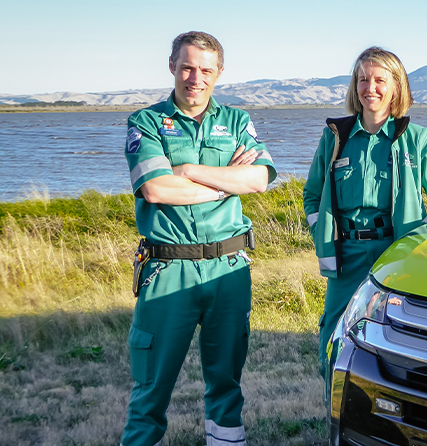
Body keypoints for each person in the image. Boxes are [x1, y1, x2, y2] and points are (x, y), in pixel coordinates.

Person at [121, 31, 276, 446]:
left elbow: (259, 179)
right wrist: (227, 183)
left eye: (206, 70)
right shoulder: (147, 122)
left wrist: (187, 170)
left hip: (229, 269)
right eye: (188, 67)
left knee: (226, 384)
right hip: (168, 269)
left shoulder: (237, 121)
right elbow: (156, 189)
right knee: (151, 388)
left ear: (219, 73)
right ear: (172, 65)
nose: (196, 78)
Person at [303, 47, 427, 373]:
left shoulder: (417, 139)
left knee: (394, 338)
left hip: (396, 254)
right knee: (333, 337)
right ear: (354, 86)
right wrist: (321, 231)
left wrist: (416, 240)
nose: (370, 88)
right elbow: (312, 196)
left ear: (396, 87)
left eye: (379, 80)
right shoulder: (335, 137)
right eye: (363, 79)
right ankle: (334, 409)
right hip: (345, 257)